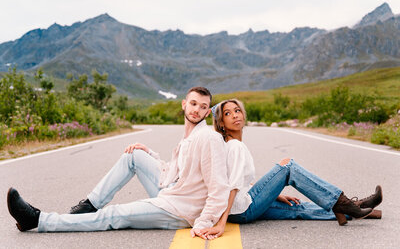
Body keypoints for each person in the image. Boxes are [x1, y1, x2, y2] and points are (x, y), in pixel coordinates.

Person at [7, 87, 230, 238]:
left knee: (113, 216)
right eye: (193, 103)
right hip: (173, 192)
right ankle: (88, 206)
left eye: (203, 106)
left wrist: (202, 223)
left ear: (208, 111)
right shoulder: (189, 137)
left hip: (180, 209)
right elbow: (176, 173)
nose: (196, 110)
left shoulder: (209, 138)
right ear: (184, 104)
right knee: (133, 155)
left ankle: (38, 220)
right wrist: (149, 153)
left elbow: (219, 188)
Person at [199, 99, 383, 239]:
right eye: (228, 114)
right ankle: (345, 203)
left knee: (296, 207)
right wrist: (222, 223)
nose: (235, 115)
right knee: (287, 166)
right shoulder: (235, 147)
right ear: (221, 123)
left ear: (243, 115)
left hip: (242, 210)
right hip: (244, 209)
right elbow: (233, 185)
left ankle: (358, 209)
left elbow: (244, 181)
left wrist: (275, 194)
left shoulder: (231, 145)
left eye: (237, 110)